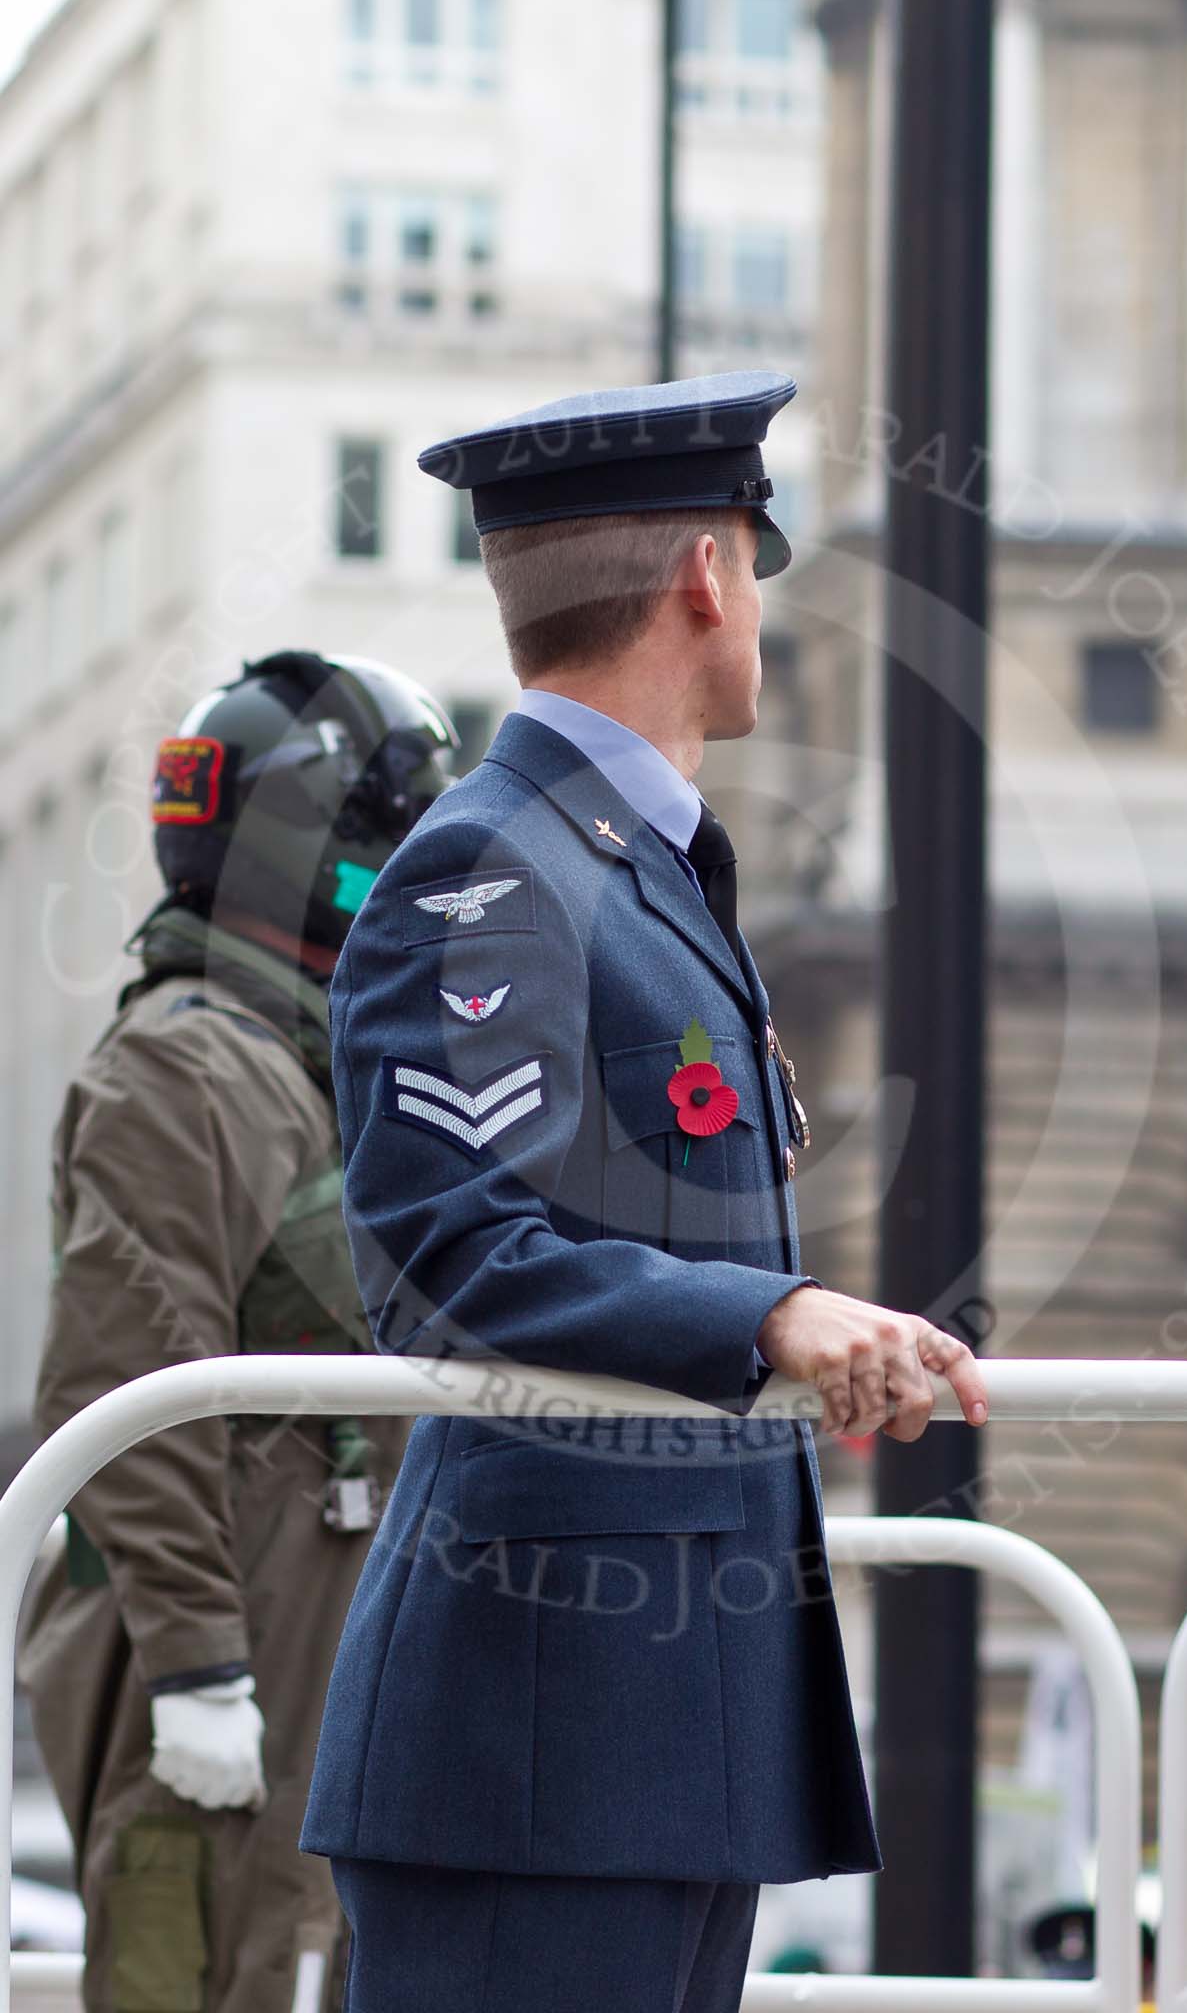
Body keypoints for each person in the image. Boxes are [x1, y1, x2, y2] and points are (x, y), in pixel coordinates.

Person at [299, 370, 990, 2012]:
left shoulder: (620, 863)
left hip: (653, 1725)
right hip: (539, 1740)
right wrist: (779, 1313)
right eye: (753, 564)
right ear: (703, 577)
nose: (752, 601)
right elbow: (447, 1251)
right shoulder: (496, 862)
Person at [17, 651, 460, 2013]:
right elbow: (129, 1381)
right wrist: (203, 1669)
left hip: (316, 1623)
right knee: (214, 1971)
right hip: (216, 1648)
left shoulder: (304, 1058)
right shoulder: (188, 1064)